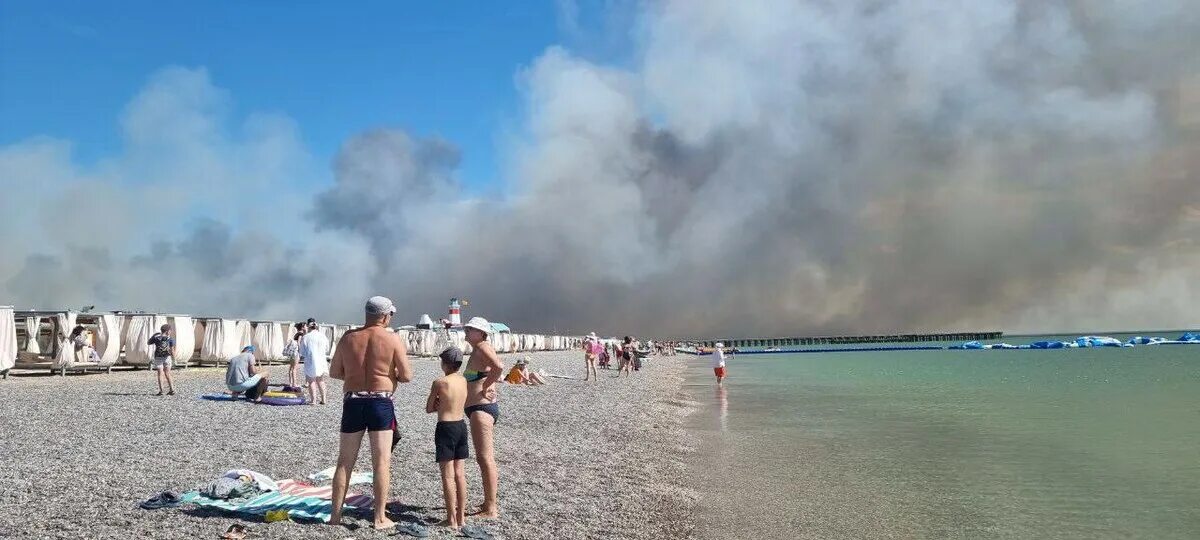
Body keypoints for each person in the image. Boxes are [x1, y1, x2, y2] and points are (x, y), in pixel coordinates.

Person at [329, 296, 413, 529]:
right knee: (381, 462)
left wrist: (357, 376)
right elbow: (406, 376)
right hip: (380, 402)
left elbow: (335, 372)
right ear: (385, 316)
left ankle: (335, 517)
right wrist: (386, 377)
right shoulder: (392, 339)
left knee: (345, 462)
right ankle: (379, 518)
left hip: (353, 401)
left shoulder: (348, 338)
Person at [462, 317, 503, 518]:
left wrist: (486, 387)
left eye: (471, 329)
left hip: (481, 408)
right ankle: (488, 501)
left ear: (481, 333)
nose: (466, 331)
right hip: (477, 407)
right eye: (467, 328)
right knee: (483, 458)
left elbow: (499, 367)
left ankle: (491, 508)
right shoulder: (479, 348)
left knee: (485, 458)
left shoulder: (483, 347)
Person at [425, 346, 469, 531]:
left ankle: (450, 518)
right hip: (461, 425)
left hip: (446, 427)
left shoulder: (440, 382)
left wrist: (436, 404)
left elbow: (429, 408)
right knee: (460, 474)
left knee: (448, 476)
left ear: (446, 364)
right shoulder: (463, 380)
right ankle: (461, 518)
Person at [299, 320, 331, 405]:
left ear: (309, 327)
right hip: (321, 361)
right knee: (320, 380)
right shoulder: (322, 336)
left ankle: (313, 401)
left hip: (310, 361)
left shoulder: (306, 337)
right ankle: (324, 399)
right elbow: (327, 349)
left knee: (311, 381)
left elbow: (302, 352)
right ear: (316, 327)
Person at [147, 324, 176, 396]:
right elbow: (172, 350)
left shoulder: (157, 338)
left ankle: (161, 391)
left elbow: (148, 343)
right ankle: (172, 390)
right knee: (168, 373)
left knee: (160, 374)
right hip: (167, 358)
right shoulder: (170, 339)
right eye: (170, 330)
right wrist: (174, 359)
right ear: (167, 331)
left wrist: (154, 335)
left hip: (158, 357)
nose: (171, 332)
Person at [283, 322, 306, 388]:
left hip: (292, 352)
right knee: (294, 368)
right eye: (305, 326)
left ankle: (290, 382)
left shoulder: (296, 334)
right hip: (296, 352)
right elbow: (299, 343)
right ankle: (294, 383)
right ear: (302, 327)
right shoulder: (301, 334)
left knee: (291, 367)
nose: (306, 327)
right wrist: (300, 351)